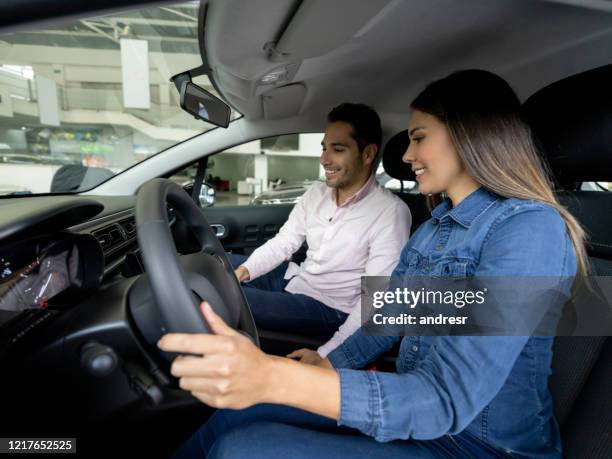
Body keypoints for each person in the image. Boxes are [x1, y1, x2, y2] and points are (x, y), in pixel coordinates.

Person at [160, 70, 588, 458]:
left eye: (419, 137)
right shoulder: (435, 228)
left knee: (244, 450)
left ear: (466, 135)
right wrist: (329, 363)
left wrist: (271, 375)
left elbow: (448, 399)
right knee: (234, 414)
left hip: (478, 445)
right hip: (414, 419)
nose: (406, 155)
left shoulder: (530, 230)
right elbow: (385, 317)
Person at [227, 103, 411, 358]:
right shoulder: (317, 193)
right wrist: (244, 271)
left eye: (337, 149)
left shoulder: (390, 212)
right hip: (297, 279)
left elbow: (375, 298)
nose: (324, 159)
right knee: (218, 267)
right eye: (324, 148)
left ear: (368, 154)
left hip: (329, 307)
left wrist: (327, 355)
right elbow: (285, 242)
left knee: (227, 299)